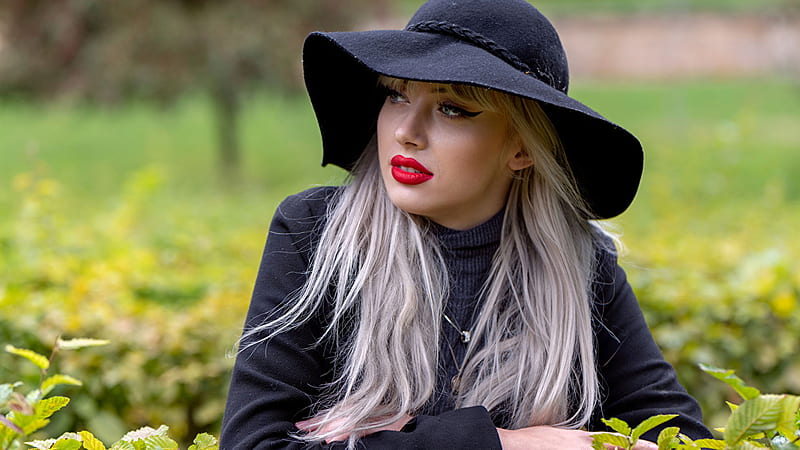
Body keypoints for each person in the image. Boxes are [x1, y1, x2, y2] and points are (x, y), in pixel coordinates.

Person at [220, 0, 712, 448]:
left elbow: (680, 440)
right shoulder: (317, 234)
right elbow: (253, 444)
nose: (406, 132)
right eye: (396, 95)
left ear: (520, 147)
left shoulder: (580, 263)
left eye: (452, 108)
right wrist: (514, 443)